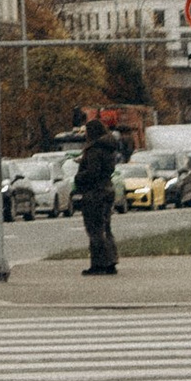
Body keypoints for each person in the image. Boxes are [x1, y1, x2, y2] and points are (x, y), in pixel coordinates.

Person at [73, 116, 123, 277]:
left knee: (94, 229)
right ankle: (111, 261)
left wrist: (79, 176)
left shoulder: (94, 149)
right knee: (106, 227)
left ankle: (98, 264)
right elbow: (104, 168)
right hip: (108, 189)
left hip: (95, 192)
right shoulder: (109, 148)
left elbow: (93, 172)